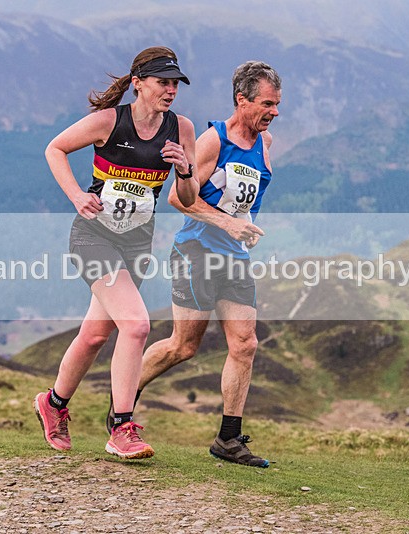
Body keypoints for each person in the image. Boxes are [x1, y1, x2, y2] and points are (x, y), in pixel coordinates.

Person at [106, 60, 282, 467]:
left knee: (245, 344)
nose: (274, 112)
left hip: (235, 258)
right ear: (242, 100)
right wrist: (225, 222)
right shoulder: (212, 140)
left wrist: (243, 227)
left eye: (277, 104)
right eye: (268, 104)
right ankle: (122, 407)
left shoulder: (265, 142)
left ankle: (229, 440)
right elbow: (177, 198)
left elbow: (242, 201)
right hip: (196, 252)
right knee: (183, 347)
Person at [34, 46, 199, 460]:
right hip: (94, 237)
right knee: (138, 326)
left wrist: (184, 170)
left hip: (136, 244)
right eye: (163, 81)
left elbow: (188, 196)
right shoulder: (109, 121)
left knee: (93, 336)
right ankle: (121, 427)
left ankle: (52, 404)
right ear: (138, 83)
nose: (171, 90)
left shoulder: (182, 129)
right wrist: (76, 195)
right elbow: (54, 148)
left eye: (175, 83)